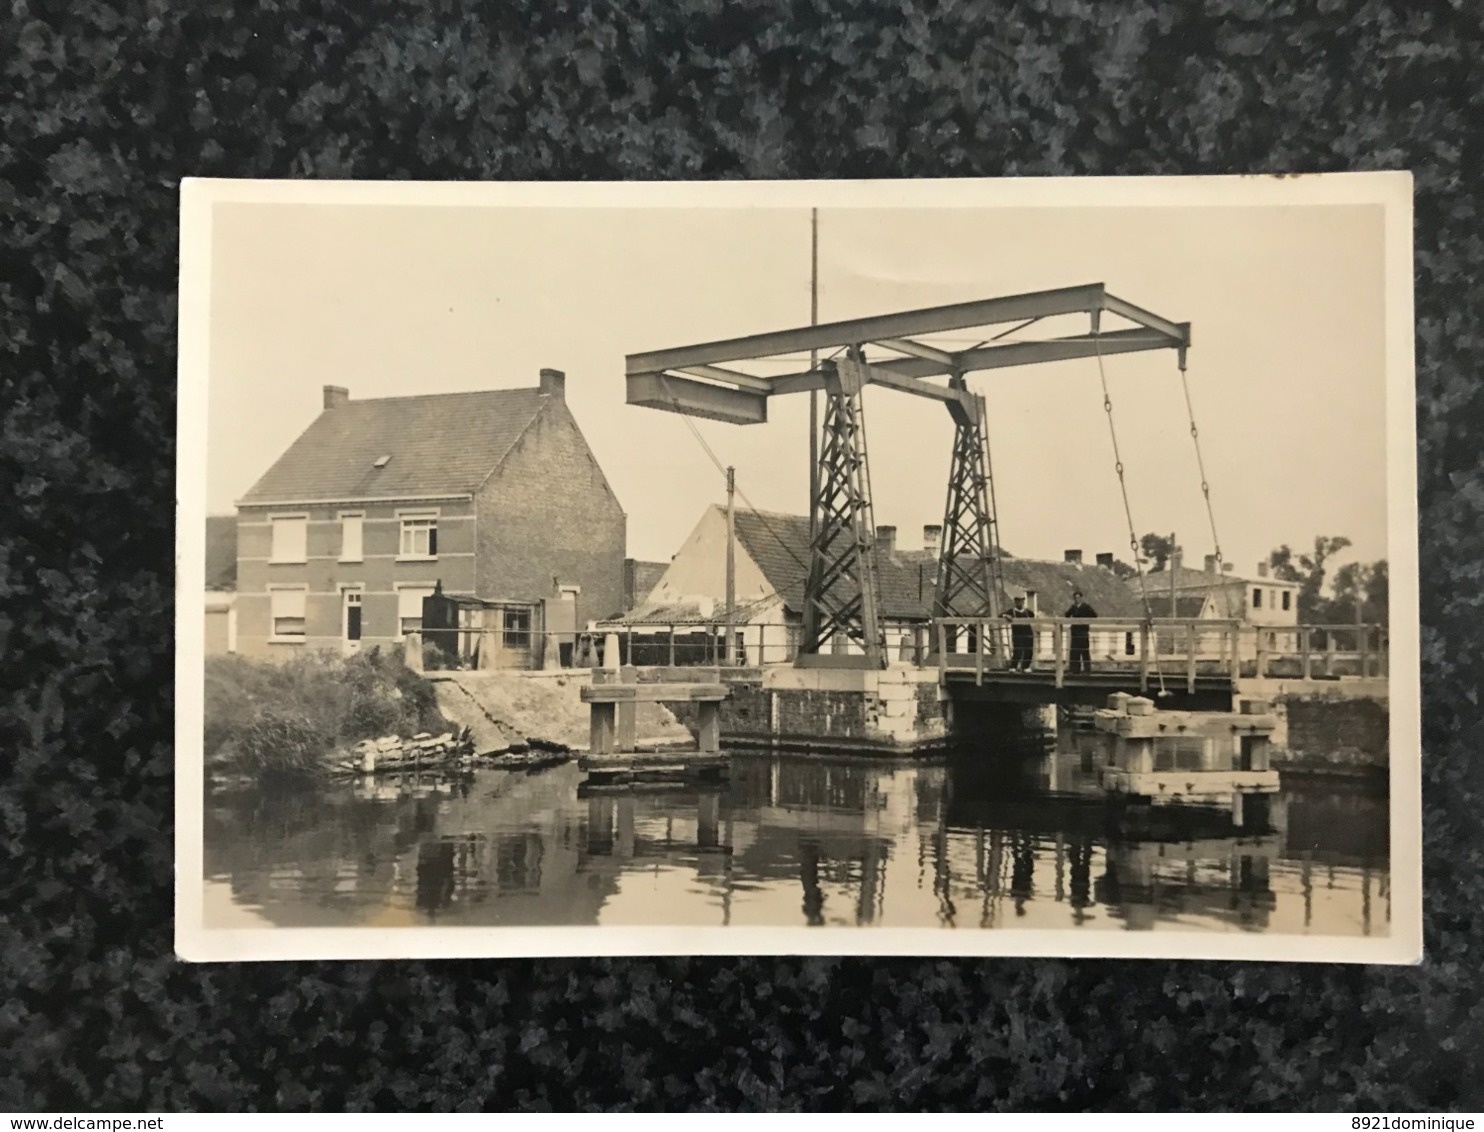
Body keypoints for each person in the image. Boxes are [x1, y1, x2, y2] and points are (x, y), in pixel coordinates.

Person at [1064, 589, 1098, 674]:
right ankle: (1075, 669)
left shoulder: (1086, 607)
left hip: (1083, 631)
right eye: (1075, 598)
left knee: (1084, 650)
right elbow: (1067, 615)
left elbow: (1094, 615)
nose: (1077, 599)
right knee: (1074, 651)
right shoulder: (1074, 607)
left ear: (1081, 598)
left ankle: (1087, 669)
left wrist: (1085, 621)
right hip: (1075, 631)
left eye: (1078, 598)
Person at [1003, 594, 1035, 671]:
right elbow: (1001, 615)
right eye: (1018, 601)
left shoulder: (1028, 612)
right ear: (1015, 602)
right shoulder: (1011, 611)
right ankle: (1013, 666)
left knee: (1028, 650)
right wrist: (1006, 616)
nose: (1020, 603)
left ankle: (1025, 666)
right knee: (1018, 650)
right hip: (1017, 634)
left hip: (1028, 633)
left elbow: (1033, 616)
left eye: (1021, 601)